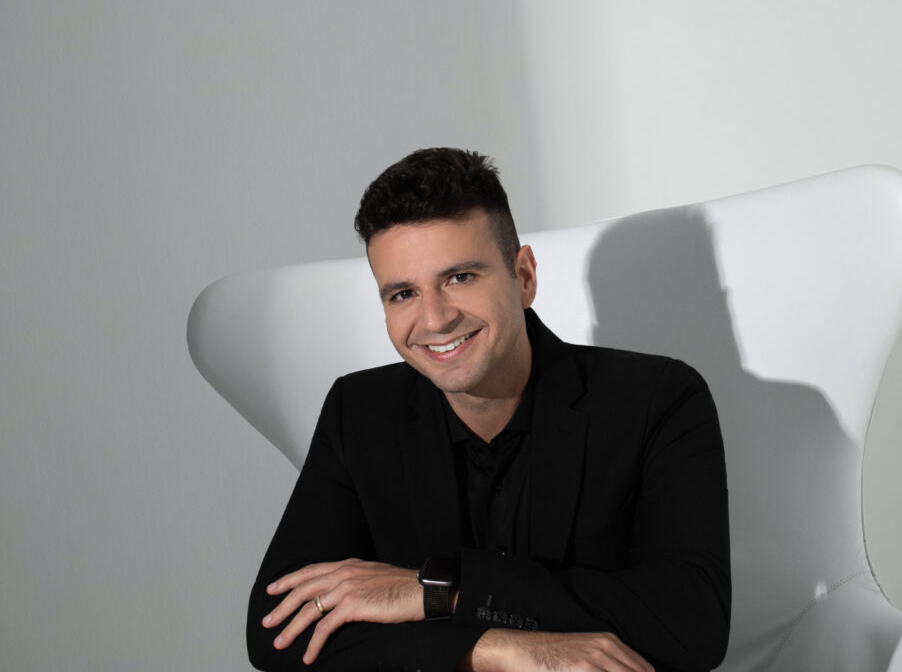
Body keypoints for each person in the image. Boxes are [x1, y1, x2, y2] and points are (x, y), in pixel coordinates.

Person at [246, 148, 730, 671]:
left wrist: (442, 590)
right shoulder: (359, 412)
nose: (435, 319)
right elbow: (275, 631)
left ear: (523, 277)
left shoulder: (659, 399)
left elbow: (693, 625)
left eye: (460, 277)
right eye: (403, 293)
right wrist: (497, 649)